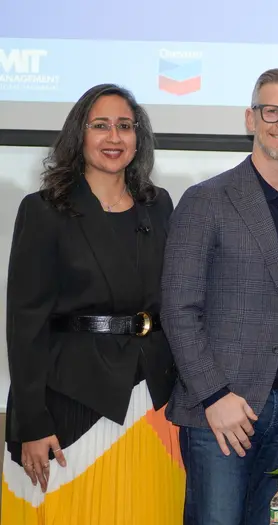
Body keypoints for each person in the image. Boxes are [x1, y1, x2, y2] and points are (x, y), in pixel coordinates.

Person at [161, 67, 278, 524]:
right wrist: (214, 395)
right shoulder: (206, 200)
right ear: (251, 118)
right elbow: (179, 309)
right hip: (220, 414)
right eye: (273, 111)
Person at [2, 84, 183, 524]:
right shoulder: (44, 210)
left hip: (153, 403)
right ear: (78, 136)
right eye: (100, 126)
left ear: (138, 138)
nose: (114, 138)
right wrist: (31, 422)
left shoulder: (159, 207)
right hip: (71, 402)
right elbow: (25, 324)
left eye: (125, 126)